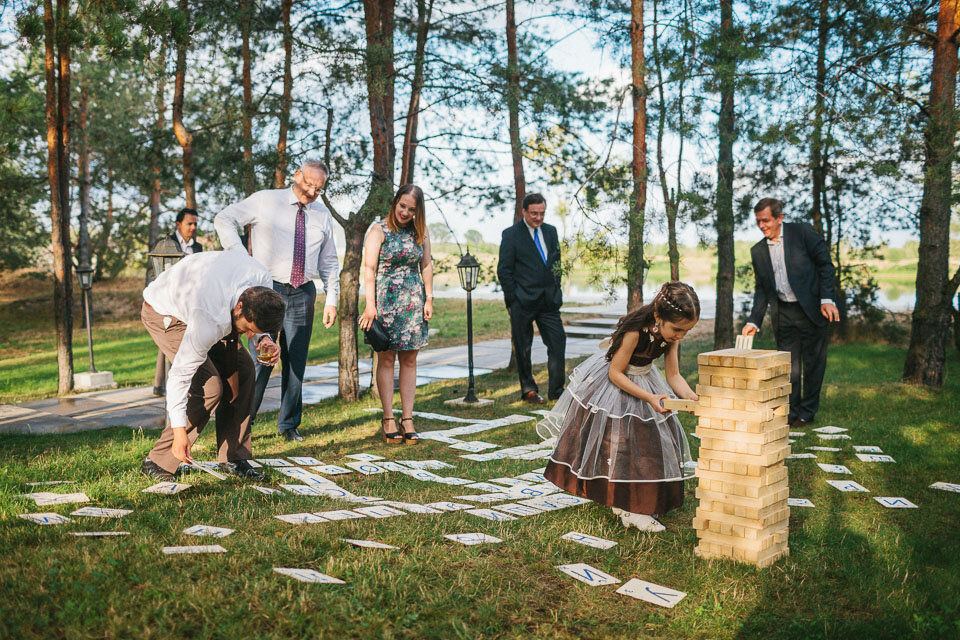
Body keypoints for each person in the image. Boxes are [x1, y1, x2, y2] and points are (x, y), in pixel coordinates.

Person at [540, 282, 701, 532]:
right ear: (658, 317)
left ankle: (641, 499)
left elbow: (674, 375)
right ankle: (627, 507)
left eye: (686, 332)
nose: (680, 336)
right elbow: (616, 373)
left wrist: (691, 397)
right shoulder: (635, 332)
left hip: (645, 381)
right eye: (677, 330)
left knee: (650, 444)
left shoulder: (672, 336)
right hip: (616, 385)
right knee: (623, 446)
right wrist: (648, 397)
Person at [214, 159, 340, 442]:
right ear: (297, 175)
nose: (312, 192)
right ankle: (244, 425)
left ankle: (289, 425)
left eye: (318, 189)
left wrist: (332, 297)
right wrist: (239, 255)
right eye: (308, 184)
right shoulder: (265, 201)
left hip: (303, 291)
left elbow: (329, 260)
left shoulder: (322, 214)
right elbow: (223, 218)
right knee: (262, 359)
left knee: (296, 361)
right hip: (266, 290)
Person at [139, 250, 285, 482]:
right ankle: (158, 460)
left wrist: (264, 339)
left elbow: (257, 327)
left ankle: (233, 458)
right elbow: (179, 377)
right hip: (166, 313)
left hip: (209, 303)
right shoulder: (209, 317)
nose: (247, 335)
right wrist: (180, 433)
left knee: (245, 371)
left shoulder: (263, 285)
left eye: (253, 332)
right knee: (210, 388)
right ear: (239, 307)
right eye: (247, 329)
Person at [741, 197, 838, 429]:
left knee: (814, 365)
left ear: (779, 218)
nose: (762, 225)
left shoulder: (802, 233)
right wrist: (754, 321)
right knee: (788, 367)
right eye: (758, 222)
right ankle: (790, 411)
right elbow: (762, 289)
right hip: (783, 313)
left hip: (812, 311)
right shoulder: (758, 251)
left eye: (766, 220)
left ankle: (807, 413)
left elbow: (825, 265)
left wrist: (827, 299)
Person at [358, 185, 433, 444]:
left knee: (410, 360)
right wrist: (370, 306)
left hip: (413, 302)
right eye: (402, 206)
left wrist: (429, 298)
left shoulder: (420, 232)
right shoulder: (378, 230)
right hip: (384, 302)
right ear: (395, 202)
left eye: (411, 210)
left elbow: (426, 264)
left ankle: (408, 418)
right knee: (387, 360)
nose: (405, 212)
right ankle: (388, 417)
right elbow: (368, 269)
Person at [496, 193, 566, 404]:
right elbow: (504, 270)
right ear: (524, 211)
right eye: (534, 213)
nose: (538, 217)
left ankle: (556, 391)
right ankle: (528, 389)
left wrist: (556, 291)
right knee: (523, 347)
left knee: (557, 342)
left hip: (549, 302)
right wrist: (513, 299)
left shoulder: (551, 231)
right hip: (522, 302)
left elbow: (556, 265)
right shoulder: (510, 235)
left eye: (542, 213)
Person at [149, 208, 204, 397]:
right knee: (169, 341)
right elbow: (152, 273)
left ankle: (187, 383)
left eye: (195, 224)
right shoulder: (166, 245)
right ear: (178, 224)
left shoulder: (198, 248)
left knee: (188, 340)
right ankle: (161, 385)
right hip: (168, 299)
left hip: (191, 301)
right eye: (190, 223)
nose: (193, 227)